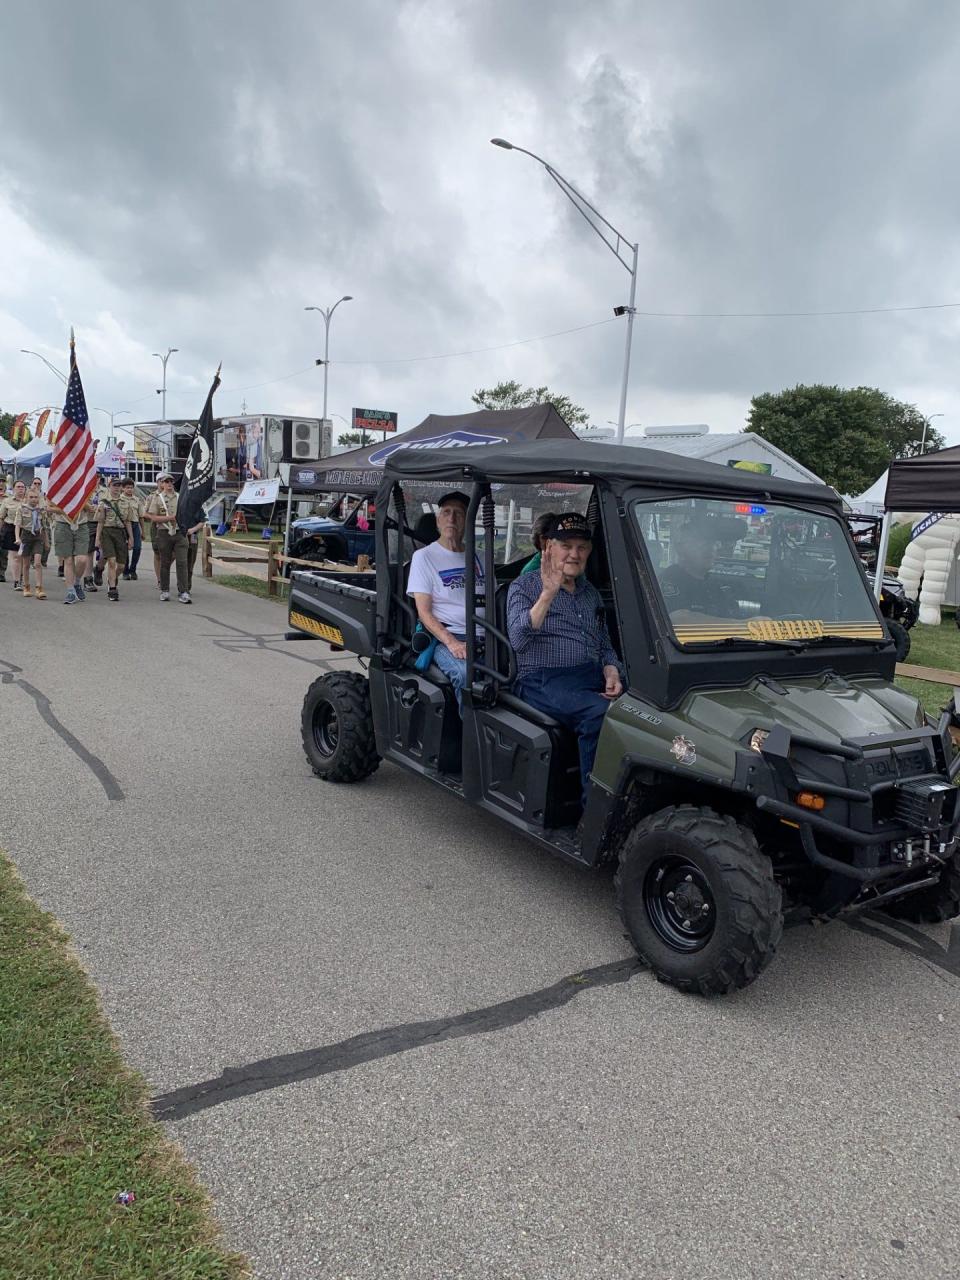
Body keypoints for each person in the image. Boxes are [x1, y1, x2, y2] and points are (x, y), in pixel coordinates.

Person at [506, 512, 623, 802]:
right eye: (566, 546)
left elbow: (605, 642)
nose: (574, 554)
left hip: (589, 674)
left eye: (581, 547)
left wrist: (612, 669)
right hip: (541, 679)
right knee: (601, 714)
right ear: (549, 547)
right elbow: (518, 641)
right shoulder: (525, 587)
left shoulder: (589, 593)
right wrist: (548, 594)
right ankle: (593, 811)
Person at [406, 491, 482, 706]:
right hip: (450, 637)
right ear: (438, 520)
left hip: (487, 636)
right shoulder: (424, 557)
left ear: (468, 521)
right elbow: (424, 612)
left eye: (459, 513)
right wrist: (453, 643)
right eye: (446, 512)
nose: (452, 518)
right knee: (467, 676)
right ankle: (469, 736)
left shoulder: (480, 556)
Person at [658, 521, 732, 616]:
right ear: (681, 549)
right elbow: (678, 619)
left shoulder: (713, 584)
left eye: (714, 543)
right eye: (701, 543)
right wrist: (739, 624)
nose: (711, 548)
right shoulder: (670, 579)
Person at [145, 474, 191, 602]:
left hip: (179, 532)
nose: (169, 484)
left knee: (182, 562)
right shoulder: (157, 498)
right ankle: (164, 590)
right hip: (164, 532)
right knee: (165, 562)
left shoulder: (180, 497)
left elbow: (187, 513)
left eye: (171, 481)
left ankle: (183, 591)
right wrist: (170, 518)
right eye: (166, 482)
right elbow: (153, 517)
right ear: (162, 484)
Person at [51, 491, 96, 604]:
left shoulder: (83, 489)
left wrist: (78, 499)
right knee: (68, 560)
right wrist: (69, 505)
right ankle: (70, 591)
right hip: (63, 524)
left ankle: (76, 582)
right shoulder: (57, 488)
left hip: (81, 525)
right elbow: (49, 508)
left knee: (82, 559)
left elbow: (90, 509)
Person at [95, 475, 134, 602]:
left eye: (119, 486)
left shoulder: (126, 503)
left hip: (121, 533)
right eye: (114, 485)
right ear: (109, 486)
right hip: (107, 532)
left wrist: (131, 538)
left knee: (121, 566)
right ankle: (112, 588)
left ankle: (112, 577)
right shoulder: (104, 502)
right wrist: (97, 538)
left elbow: (128, 521)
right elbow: (100, 522)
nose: (117, 488)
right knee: (111, 561)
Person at [15, 486, 50, 599]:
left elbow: (44, 527)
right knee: (25, 564)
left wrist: (47, 542)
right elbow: (18, 525)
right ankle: (26, 586)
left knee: (37, 563)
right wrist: (17, 538)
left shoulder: (41, 511)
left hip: (38, 536)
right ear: (26, 497)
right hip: (26, 536)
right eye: (31, 497)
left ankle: (39, 588)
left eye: (36, 497)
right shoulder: (21, 509)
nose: (34, 499)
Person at [2, 479, 27, 589]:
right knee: (15, 556)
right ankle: (17, 581)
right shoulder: (7, 501)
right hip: (10, 529)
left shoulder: (29, 500)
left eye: (23, 487)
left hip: (26, 530)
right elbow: (1, 517)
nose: (21, 488)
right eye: (18, 487)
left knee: (23, 556)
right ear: (13, 488)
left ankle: (22, 576)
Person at [121, 478, 144, 580]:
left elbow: (141, 516)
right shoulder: (120, 499)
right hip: (123, 526)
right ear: (123, 488)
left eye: (131, 488)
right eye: (127, 488)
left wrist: (143, 530)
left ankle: (133, 569)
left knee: (137, 548)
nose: (130, 490)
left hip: (135, 525)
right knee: (125, 549)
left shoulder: (137, 500)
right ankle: (125, 571)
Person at [520, 511, 557, 575]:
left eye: (554, 536)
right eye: (544, 537)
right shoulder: (531, 571)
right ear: (537, 540)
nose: (550, 542)